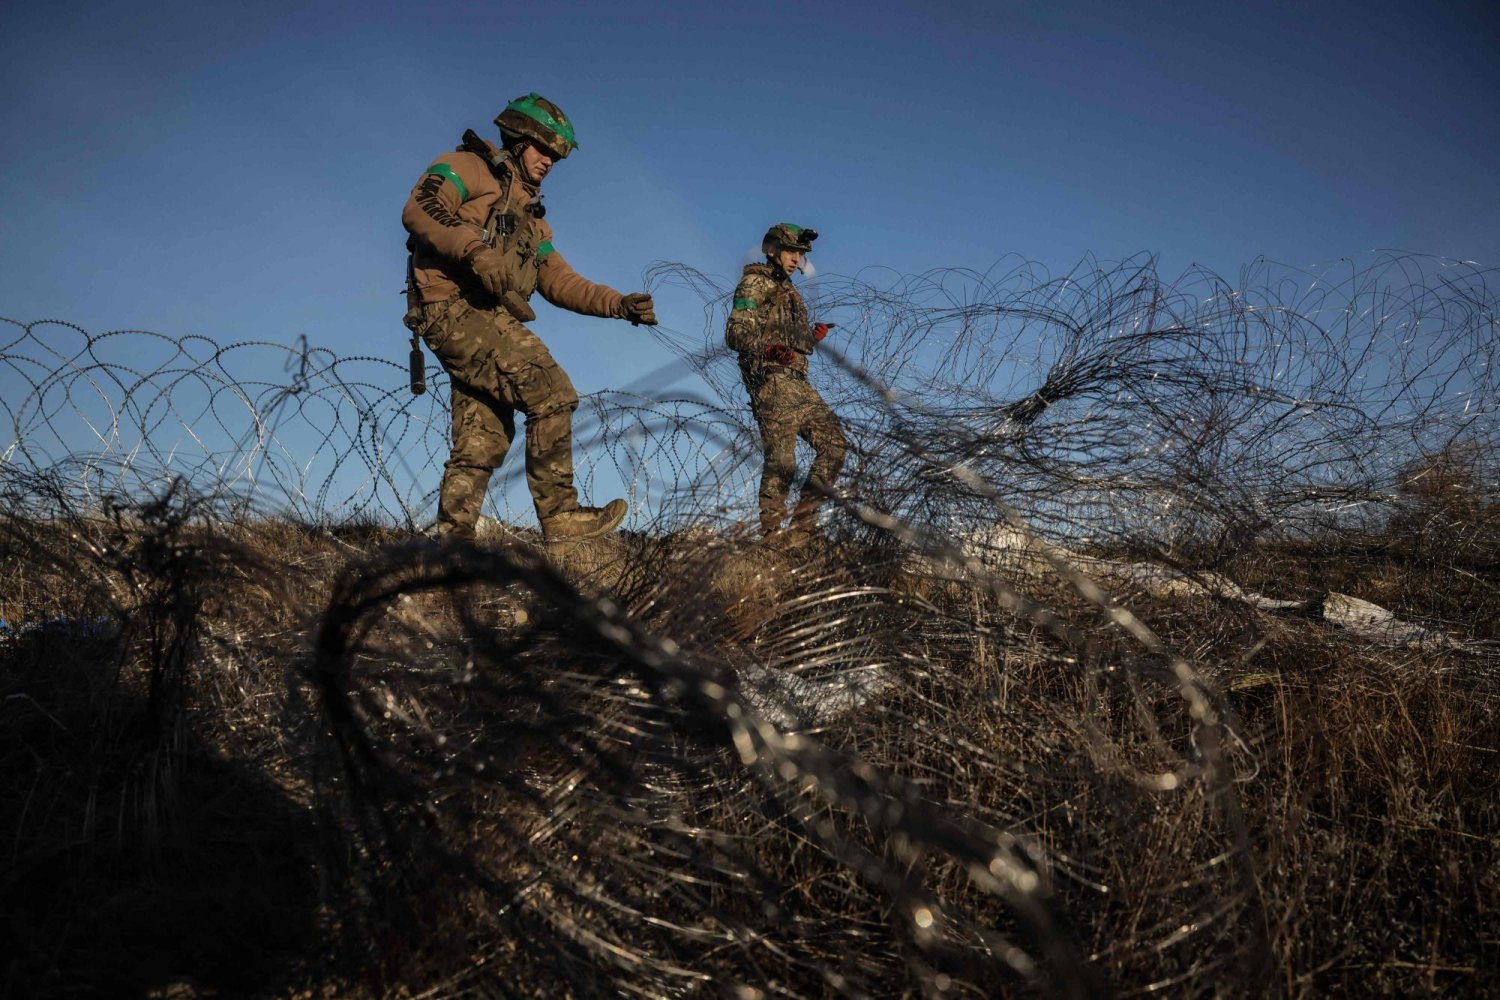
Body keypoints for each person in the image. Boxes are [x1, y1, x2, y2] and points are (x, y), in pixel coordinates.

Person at [401, 92, 656, 540]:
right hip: (453, 308)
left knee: (484, 435)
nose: (550, 162)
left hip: (486, 319)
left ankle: (451, 540)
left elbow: (559, 280)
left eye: (557, 156)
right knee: (552, 392)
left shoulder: (531, 219)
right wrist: (474, 250)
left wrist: (618, 304)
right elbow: (420, 208)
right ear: (518, 140)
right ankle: (560, 516)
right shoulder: (466, 167)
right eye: (544, 150)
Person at [724, 223, 847, 541]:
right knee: (783, 458)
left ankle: (803, 527)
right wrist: (766, 349)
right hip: (771, 382)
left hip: (798, 382)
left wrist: (810, 339)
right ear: (773, 250)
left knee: (834, 446)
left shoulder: (791, 294)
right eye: (792, 251)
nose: (796, 259)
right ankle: (771, 535)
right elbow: (736, 333)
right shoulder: (755, 282)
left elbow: (788, 343)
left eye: (801, 254)